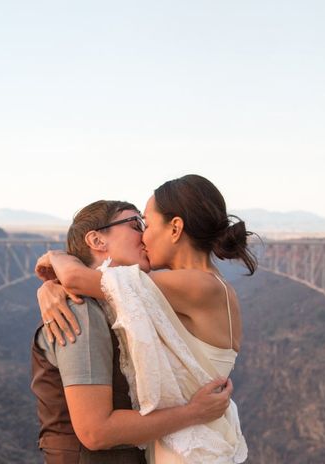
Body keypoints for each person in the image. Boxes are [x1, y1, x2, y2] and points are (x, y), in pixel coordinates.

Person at [36, 175, 256, 463]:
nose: (143, 235)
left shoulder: (197, 286)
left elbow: (79, 279)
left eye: (146, 224)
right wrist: (53, 287)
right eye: (136, 226)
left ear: (175, 228)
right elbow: (98, 287)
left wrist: (53, 258)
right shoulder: (178, 289)